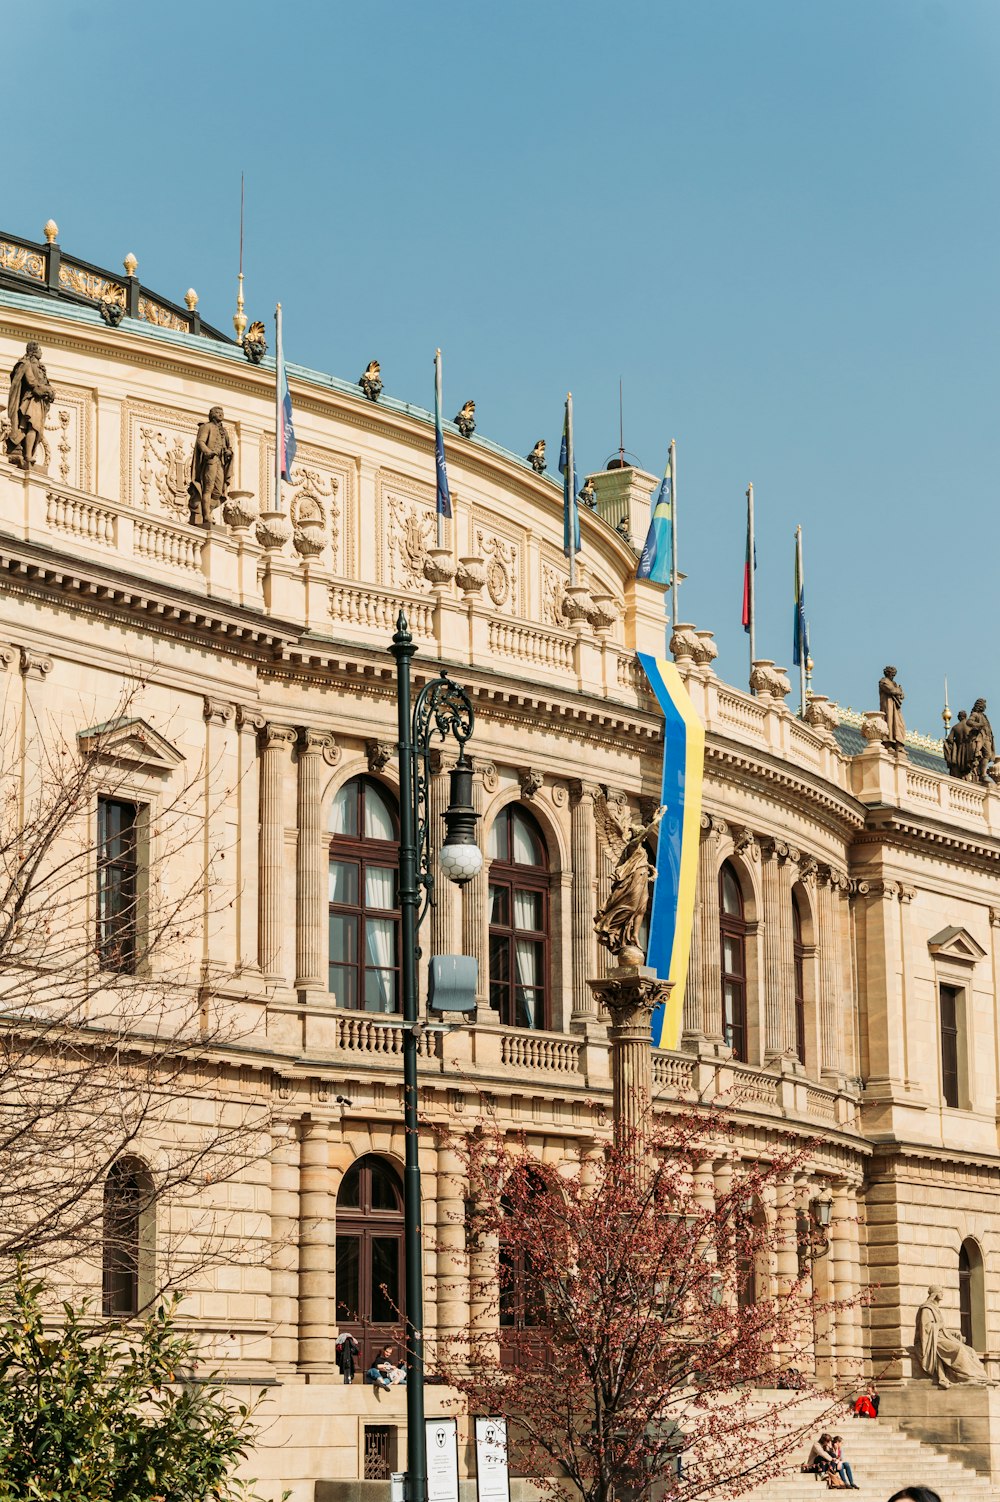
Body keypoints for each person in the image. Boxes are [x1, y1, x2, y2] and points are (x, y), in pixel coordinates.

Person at [915, 1284, 990, 1387]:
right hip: (933, 1340)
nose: (942, 1294)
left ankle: (981, 1377)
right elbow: (926, 1328)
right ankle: (967, 1377)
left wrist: (952, 1333)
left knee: (970, 1350)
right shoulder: (926, 1309)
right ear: (935, 1294)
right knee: (958, 1349)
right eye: (940, 1292)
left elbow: (940, 1328)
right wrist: (940, 1326)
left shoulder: (935, 1308)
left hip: (941, 1337)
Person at [5, 341, 55, 470]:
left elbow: (43, 383)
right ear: (34, 351)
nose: (41, 352)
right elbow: (31, 382)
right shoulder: (26, 364)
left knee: (35, 428)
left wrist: (50, 391)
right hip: (31, 401)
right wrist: (46, 390)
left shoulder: (40, 367)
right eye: (39, 350)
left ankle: (28, 454)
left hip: (39, 402)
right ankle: (27, 455)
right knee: (32, 426)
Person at [188, 406, 233, 526]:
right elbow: (200, 442)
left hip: (220, 462)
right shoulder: (207, 427)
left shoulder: (224, 431)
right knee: (208, 488)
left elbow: (228, 447)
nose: (220, 414)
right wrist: (208, 452)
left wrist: (229, 451)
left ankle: (206, 509)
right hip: (211, 460)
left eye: (221, 412)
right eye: (217, 412)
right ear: (212, 415)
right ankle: (206, 515)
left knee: (218, 491)